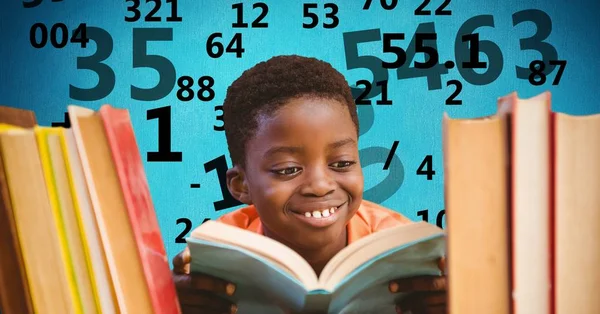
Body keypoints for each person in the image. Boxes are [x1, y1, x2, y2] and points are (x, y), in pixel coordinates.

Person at [171, 55, 447, 314]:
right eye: (288, 169)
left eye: (341, 163)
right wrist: (164, 303)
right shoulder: (215, 256)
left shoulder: (405, 249)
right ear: (241, 185)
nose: (320, 185)